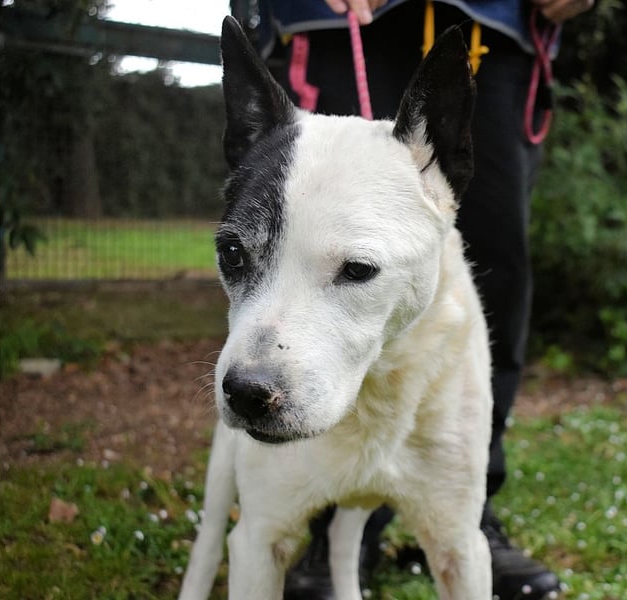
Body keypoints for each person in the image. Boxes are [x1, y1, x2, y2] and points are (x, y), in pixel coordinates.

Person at [231, 1, 593, 598]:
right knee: (305, 229)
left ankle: (463, 503)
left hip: (495, 26)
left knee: (498, 262)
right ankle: (324, 525)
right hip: (334, 20)